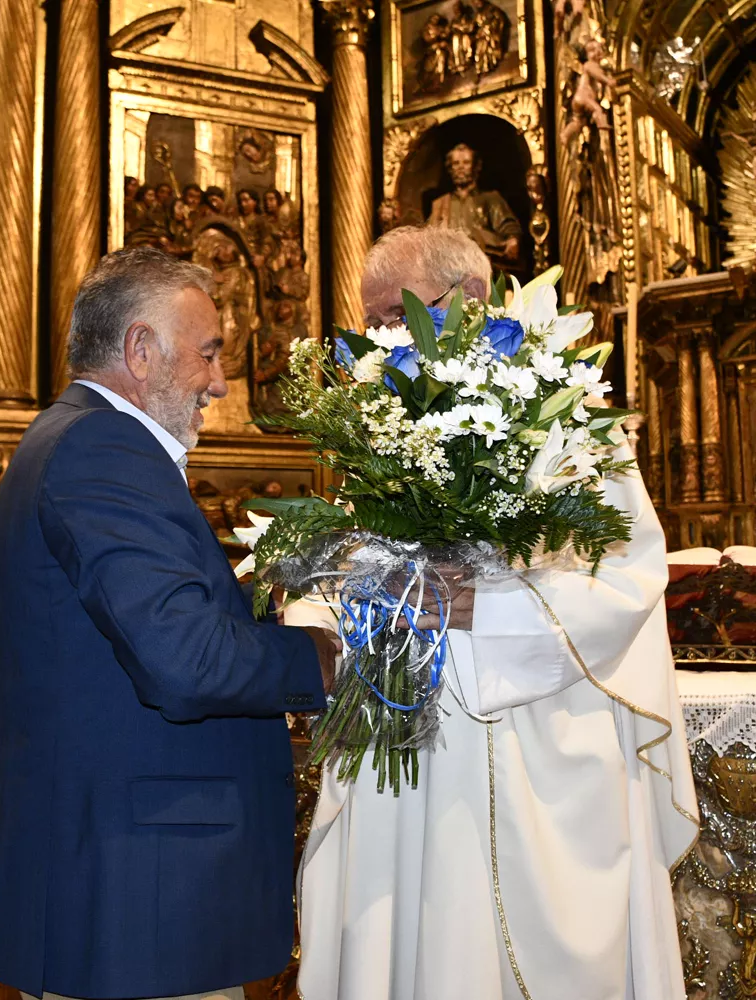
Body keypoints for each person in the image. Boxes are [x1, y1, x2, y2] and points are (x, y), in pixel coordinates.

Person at [296, 226, 699, 1000]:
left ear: (473, 302)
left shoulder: (569, 418)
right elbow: (351, 557)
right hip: (409, 736)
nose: (380, 343)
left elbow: (627, 577)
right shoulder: (380, 425)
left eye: (395, 318)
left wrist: (491, 609)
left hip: (537, 741)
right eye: (371, 324)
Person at [0, 246, 340, 1000]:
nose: (218, 382)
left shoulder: (62, 439)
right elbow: (186, 660)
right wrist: (326, 658)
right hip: (140, 887)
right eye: (207, 354)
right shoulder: (104, 449)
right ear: (141, 349)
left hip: (114, 873)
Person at [428, 144, 522, 266]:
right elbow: (429, 238)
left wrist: (512, 239)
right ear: (450, 168)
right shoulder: (441, 204)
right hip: (449, 266)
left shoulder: (490, 198)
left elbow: (508, 226)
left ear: (476, 167)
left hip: (484, 264)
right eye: (456, 163)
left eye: (466, 162)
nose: (460, 167)